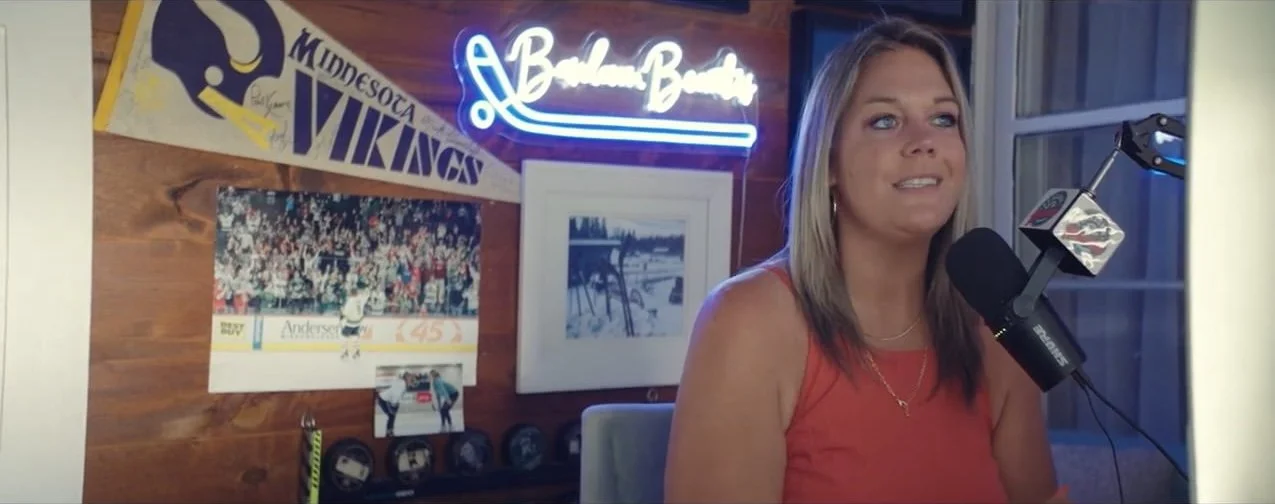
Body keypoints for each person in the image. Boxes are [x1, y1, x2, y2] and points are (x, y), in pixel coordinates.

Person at [664, 18, 1065, 504]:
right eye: (885, 121)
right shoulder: (750, 323)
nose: (924, 140)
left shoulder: (997, 333)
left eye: (944, 118)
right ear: (828, 162)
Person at [338, 280, 371, 360]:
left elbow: (345, 313)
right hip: (358, 322)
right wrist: (366, 287)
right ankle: (356, 352)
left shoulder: (350, 301)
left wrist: (341, 315)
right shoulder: (361, 298)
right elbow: (367, 294)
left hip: (350, 322)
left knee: (343, 336)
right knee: (354, 336)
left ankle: (345, 352)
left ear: (351, 293)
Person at [376, 370, 409, 437]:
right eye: (409, 378)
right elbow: (396, 395)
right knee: (392, 415)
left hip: (384, 398)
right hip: (383, 399)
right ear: (406, 378)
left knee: (392, 416)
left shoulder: (402, 383)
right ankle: (389, 432)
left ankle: (389, 431)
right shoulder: (402, 385)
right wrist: (394, 405)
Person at [429, 368, 460, 433]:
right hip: (449, 395)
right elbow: (438, 394)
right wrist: (439, 405)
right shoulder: (434, 383)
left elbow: (443, 390)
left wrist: (448, 399)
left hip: (454, 394)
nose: (430, 376)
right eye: (430, 375)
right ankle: (443, 425)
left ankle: (450, 425)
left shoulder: (438, 381)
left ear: (434, 375)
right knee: (442, 410)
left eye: (432, 375)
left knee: (444, 410)